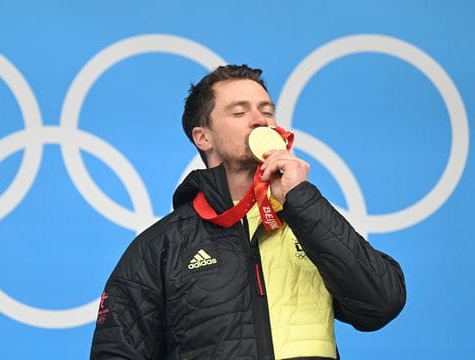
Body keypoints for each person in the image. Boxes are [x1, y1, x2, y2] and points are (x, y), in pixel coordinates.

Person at [90, 64, 406, 359]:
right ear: (203, 137)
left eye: (266, 110)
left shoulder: (308, 220)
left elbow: (382, 303)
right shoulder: (161, 246)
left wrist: (301, 200)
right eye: (239, 111)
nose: (260, 120)